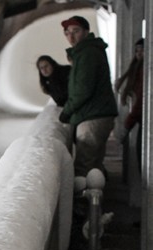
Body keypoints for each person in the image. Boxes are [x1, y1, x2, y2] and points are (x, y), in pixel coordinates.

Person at [58, 15, 118, 177]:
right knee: (94, 166)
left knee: (84, 167)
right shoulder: (87, 51)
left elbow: (83, 89)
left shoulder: (87, 53)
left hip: (92, 116)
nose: (71, 36)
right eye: (67, 33)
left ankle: (85, 201)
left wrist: (67, 111)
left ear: (86, 32)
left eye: (75, 31)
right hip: (97, 114)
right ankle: (96, 200)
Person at [115, 39, 145, 147]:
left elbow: (141, 100)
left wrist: (127, 125)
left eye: (142, 50)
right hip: (141, 118)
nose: (139, 53)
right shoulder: (138, 70)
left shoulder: (142, 71)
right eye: (137, 51)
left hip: (142, 118)